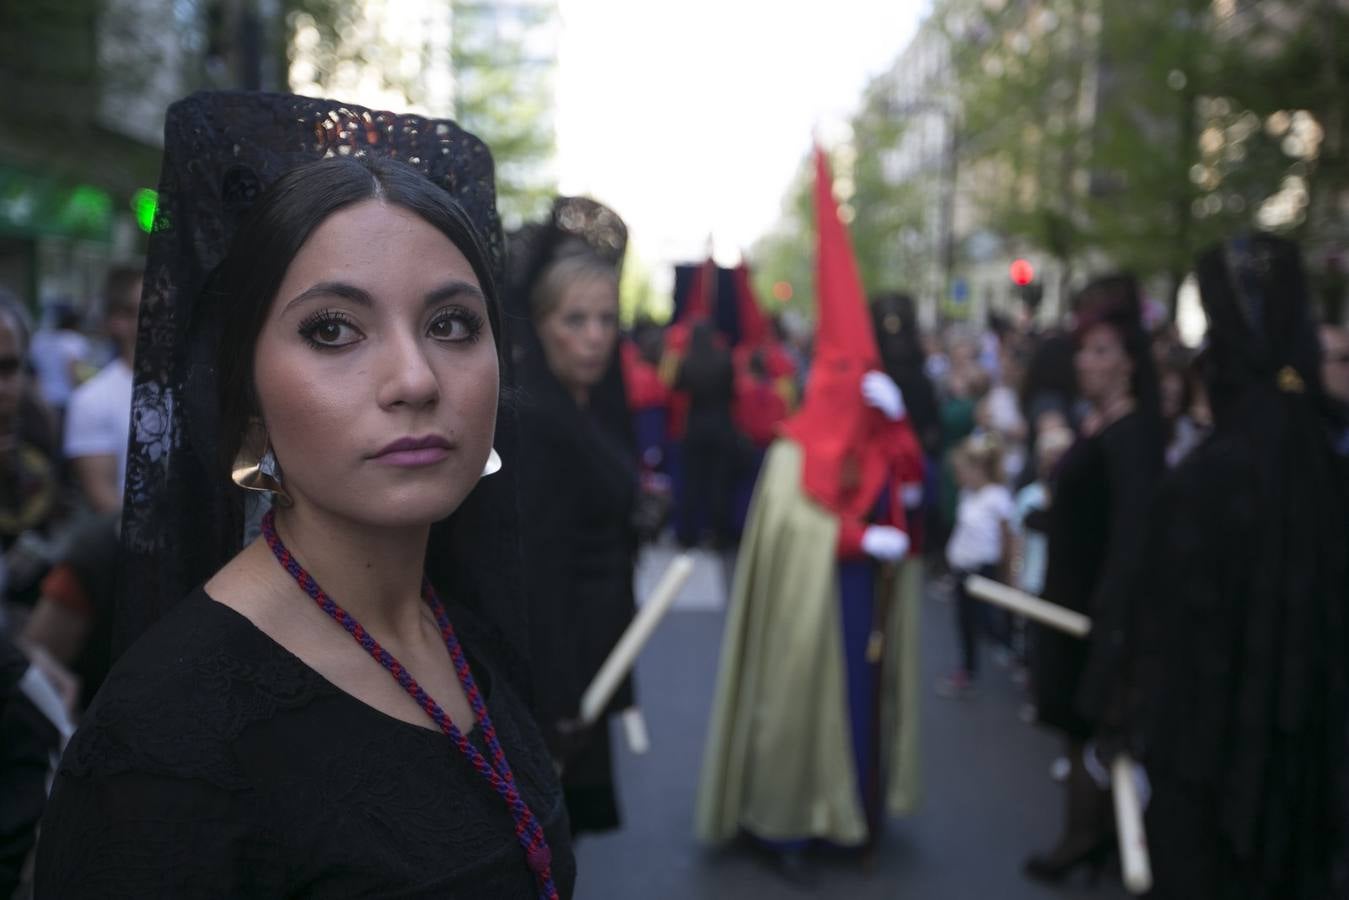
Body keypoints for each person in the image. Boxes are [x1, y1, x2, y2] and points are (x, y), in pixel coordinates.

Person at [34, 93, 573, 899]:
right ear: (245, 391)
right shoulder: (167, 745)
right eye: (332, 330)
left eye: (453, 324)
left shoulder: (463, 631)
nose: (416, 380)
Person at [695, 147, 925, 872]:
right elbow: (799, 531)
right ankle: (785, 822)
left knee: (859, 708)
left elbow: (912, 495)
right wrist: (857, 538)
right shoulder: (792, 454)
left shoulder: (876, 442)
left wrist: (896, 429)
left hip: (861, 606)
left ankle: (846, 816)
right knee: (794, 704)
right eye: (845, 373)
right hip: (811, 608)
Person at [1130, 235, 1349, 899]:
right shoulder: (1324, 464)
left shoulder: (1204, 480)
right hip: (1304, 776)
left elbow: (1165, 644)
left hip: (1208, 777)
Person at [1024, 275, 1164, 884]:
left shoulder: (1133, 436)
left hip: (1093, 610)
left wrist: (1111, 619)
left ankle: (1089, 837)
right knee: (1072, 733)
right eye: (1084, 350)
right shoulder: (1101, 428)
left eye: (1102, 351)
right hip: (1068, 598)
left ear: (1131, 364)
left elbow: (1131, 535)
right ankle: (1085, 836)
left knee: (1091, 732)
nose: (1086, 361)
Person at [508, 196, 637, 836]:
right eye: (575, 319)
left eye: (606, 320)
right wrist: (558, 702)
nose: (594, 337)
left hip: (590, 659)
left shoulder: (584, 406)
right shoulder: (539, 422)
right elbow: (541, 572)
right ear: (539, 324)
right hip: (560, 677)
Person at [936, 433, 1013, 699]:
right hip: (963, 568)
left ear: (979, 469)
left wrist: (1007, 571)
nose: (959, 476)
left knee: (986, 620)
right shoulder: (967, 494)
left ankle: (1013, 651)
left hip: (984, 568)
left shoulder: (997, 496)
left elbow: (1006, 536)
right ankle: (967, 669)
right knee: (964, 621)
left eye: (963, 471)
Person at [63, 266, 140, 515]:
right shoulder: (91, 400)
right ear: (118, 320)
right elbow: (103, 500)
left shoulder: (199, 387)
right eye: (151, 308)